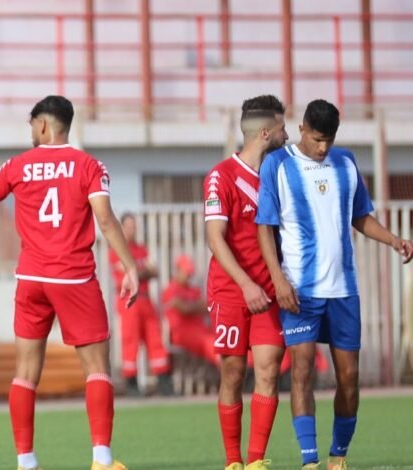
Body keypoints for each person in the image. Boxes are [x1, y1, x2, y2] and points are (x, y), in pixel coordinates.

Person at [0, 95, 137, 470]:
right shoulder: (89, 165)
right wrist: (130, 267)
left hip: (31, 279)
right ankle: (102, 459)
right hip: (74, 277)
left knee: (25, 373)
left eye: (31, 124)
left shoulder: (17, 165)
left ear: (43, 125)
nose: (30, 131)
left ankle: (26, 461)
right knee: (97, 368)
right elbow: (106, 220)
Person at [256, 99, 413, 470]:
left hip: (343, 289)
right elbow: (265, 225)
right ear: (302, 130)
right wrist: (278, 278)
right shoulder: (277, 164)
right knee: (302, 371)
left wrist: (393, 240)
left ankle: (337, 457)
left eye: (329, 139)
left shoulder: (345, 162)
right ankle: (309, 461)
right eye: (316, 139)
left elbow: (361, 215)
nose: (323, 147)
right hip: (300, 290)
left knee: (349, 377)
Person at [205, 95, 289, 470]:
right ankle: (232, 461)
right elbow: (215, 238)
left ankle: (255, 461)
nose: (288, 135)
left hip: (269, 293)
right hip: (230, 290)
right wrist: (245, 285)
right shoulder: (221, 176)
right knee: (234, 373)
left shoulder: (281, 174)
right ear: (266, 133)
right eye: (283, 128)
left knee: (269, 369)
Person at [108, 213, 171, 396]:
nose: (132, 230)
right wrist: (142, 271)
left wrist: (135, 270)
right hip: (128, 301)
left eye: (134, 226)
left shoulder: (142, 249)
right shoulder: (117, 250)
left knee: (155, 338)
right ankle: (131, 384)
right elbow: (127, 274)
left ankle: (163, 381)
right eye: (128, 226)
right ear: (122, 228)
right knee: (130, 341)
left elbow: (154, 271)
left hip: (145, 299)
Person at [161, 255, 217, 366]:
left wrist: (190, 306)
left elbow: (207, 307)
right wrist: (195, 307)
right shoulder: (171, 289)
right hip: (182, 333)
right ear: (178, 270)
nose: (189, 275)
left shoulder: (193, 290)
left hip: (201, 329)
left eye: (190, 273)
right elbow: (185, 310)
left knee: (222, 339)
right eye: (186, 272)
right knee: (210, 344)